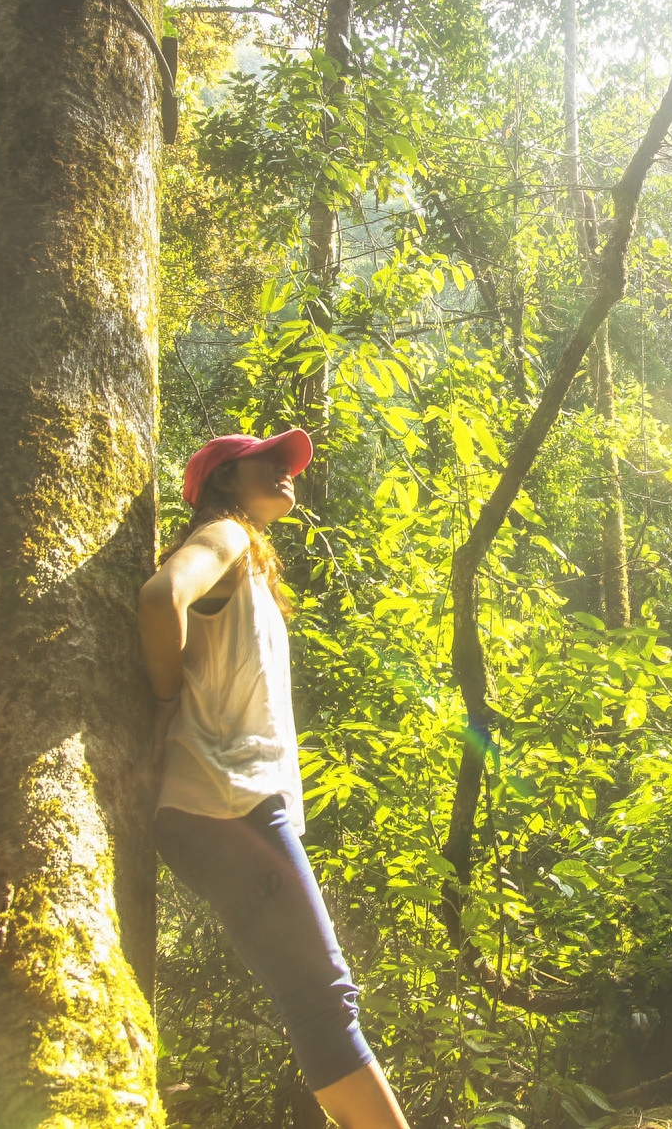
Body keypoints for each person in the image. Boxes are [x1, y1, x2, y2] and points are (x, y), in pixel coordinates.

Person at [140, 429, 409, 1129]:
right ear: (226, 479)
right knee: (323, 997)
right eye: (271, 461)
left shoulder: (248, 560)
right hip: (228, 803)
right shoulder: (224, 536)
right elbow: (161, 595)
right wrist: (166, 706)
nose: (288, 471)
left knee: (315, 996)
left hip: (227, 807)